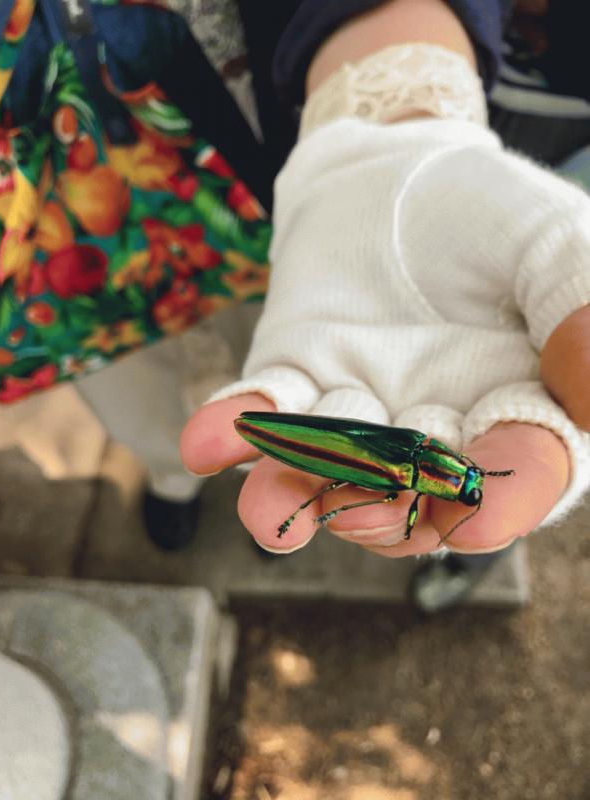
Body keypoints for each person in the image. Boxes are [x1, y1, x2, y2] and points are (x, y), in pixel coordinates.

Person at [176, 0, 590, 609]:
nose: (467, 475)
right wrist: (414, 113)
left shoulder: (416, 455)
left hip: (269, 147)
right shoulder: (408, 469)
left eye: (465, 476)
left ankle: (180, 485)